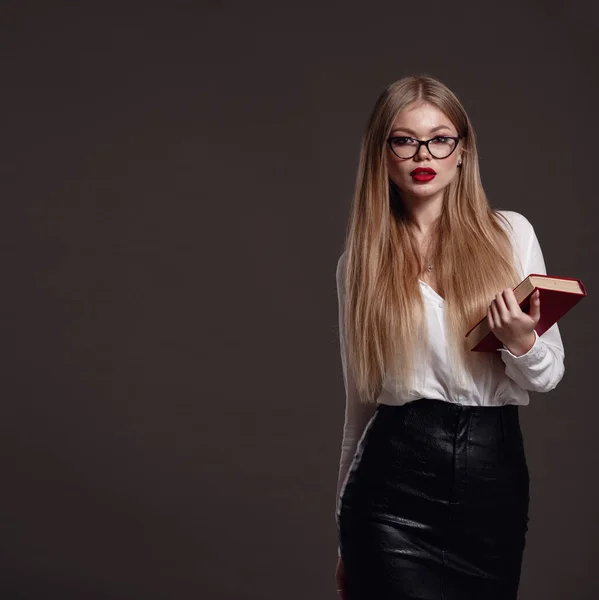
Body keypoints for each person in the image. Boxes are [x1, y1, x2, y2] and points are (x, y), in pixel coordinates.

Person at [333, 75, 565, 600]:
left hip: (493, 485)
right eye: (404, 139)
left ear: (463, 152)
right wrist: (344, 546)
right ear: (382, 153)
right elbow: (357, 412)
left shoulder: (510, 234)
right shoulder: (360, 267)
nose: (424, 153)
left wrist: (521, 343)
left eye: (440, 138)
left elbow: (550, 373)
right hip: (389, 495)